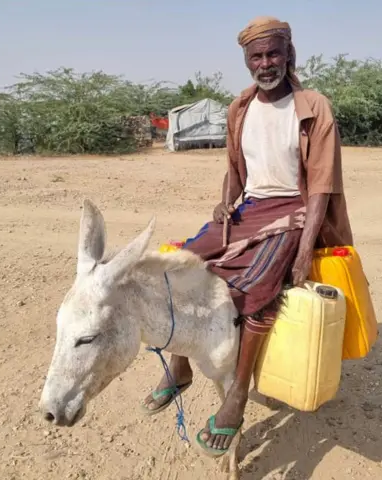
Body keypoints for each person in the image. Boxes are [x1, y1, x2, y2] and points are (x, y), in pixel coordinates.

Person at [142, 15, 354, 456]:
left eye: (273, 53)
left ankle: (236, 398)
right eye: (256, 56)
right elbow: (235, 172)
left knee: (255, 286)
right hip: (249, 209)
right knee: (179, 267)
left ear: (289, 54)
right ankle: (180, 366)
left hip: (294, 212)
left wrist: (302, 253)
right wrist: (226, 200)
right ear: (245, 60)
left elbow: (320, 187)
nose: (265, 63)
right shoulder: (240, 107)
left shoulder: (313, 106)